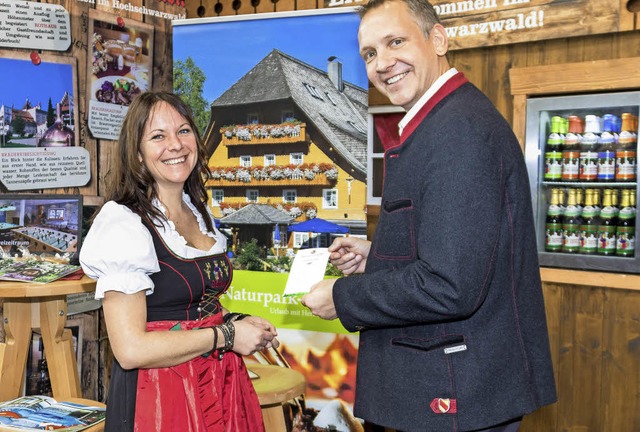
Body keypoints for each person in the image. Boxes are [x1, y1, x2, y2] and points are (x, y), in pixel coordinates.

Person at [300, 1, 557, 431]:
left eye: (395, 42)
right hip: (452, 386)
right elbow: (454, 246)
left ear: (438, 39)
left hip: (456, 390)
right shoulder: (440, 122)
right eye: (369, 53)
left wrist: (343, 296)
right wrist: (377, 256)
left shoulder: (458, 132)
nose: (382, 63)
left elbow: (449, 286)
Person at [80, 91, 278, 431]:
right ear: (138, 154)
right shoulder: (123, 223)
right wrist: (227, 336)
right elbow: (130, 348)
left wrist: (236, 321)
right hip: (158, 396)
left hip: (217, 384)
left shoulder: (199, 212)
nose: (176, 144)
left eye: (183, 131)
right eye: (158, 136)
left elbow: (187, 307)